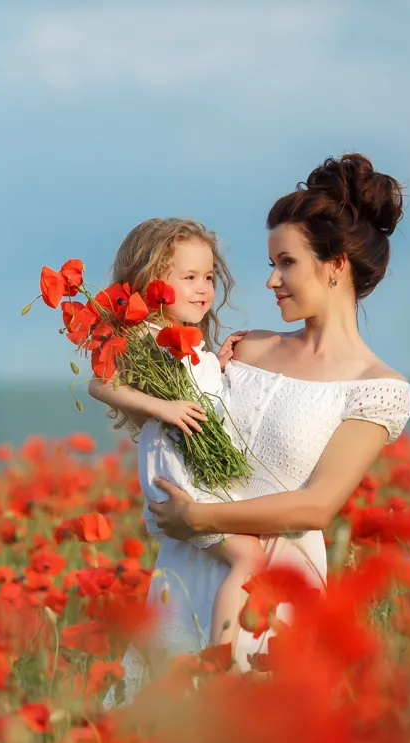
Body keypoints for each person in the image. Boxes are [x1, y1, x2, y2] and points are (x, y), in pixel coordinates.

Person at [113, 153, 410, 705]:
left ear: (335, 266)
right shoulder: (246, 348)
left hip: (276, 585)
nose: (271, 280)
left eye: (287, 263)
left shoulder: (377, 388)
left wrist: (199, 518)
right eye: (272, 262)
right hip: (189, 565)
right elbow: (183, 417)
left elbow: (317, 506)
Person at [84, 218, 261, 651]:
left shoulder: (188, 342)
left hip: (195, 472)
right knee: (249, 557)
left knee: (240, 553)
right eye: (189, 278)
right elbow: (99, 385)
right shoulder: (144, 336)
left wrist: (217, 365)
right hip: (177, 479)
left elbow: (200, 394)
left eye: (208, 278)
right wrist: (161, 407)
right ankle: (222, 656)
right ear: (151, 283)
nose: (203, 289)